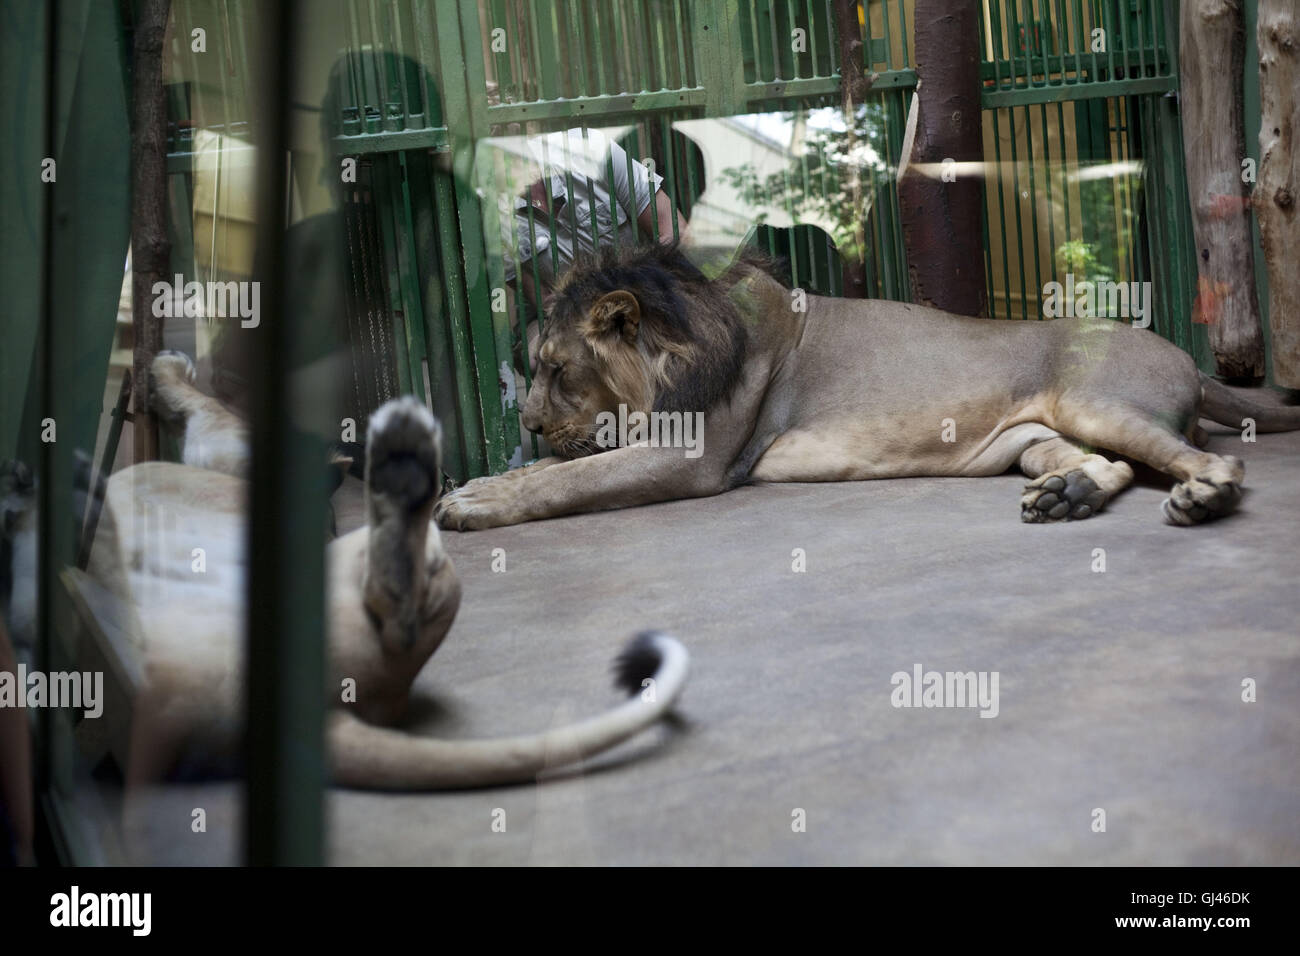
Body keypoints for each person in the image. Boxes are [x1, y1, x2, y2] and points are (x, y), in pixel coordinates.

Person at [503, 128, 688, 313]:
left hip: (651, 289)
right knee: (541, 340)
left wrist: (646, 293)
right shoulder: (491, 217)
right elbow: (544, 301)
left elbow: (674, 230)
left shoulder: (589, 147)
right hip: (576, 316)